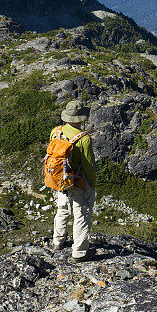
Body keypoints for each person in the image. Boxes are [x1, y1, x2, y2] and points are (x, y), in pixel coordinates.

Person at [50, 100, 96, 263]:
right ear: (81, 118)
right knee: (81, 214)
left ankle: (58, 241)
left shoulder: (56, 131)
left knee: (62, 208)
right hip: (78, 181)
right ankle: (79, 252)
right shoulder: (84, 139)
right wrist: (92, 183)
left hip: (59, 179)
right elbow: (88, 165)